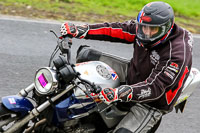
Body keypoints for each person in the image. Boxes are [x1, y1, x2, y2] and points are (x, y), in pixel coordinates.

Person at [60, 1, 193, 133]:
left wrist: (120, 93)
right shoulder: (144, 28)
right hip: (133, 72)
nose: (146, 32)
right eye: (143, 27)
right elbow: (116, 30)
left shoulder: (177, 53)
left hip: (153, 102)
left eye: (152, 29)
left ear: (166, 28)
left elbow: (155, 88)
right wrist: (82, 30)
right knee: (86, 55)